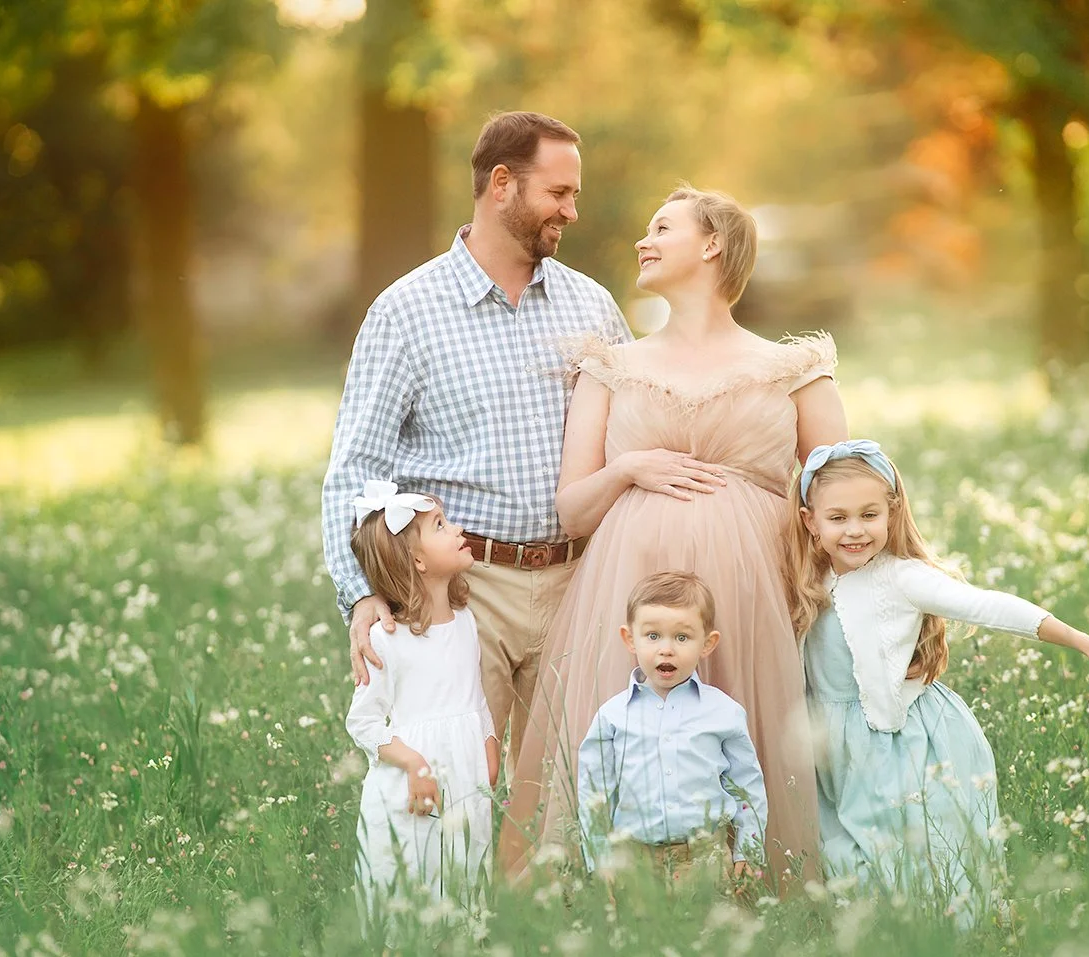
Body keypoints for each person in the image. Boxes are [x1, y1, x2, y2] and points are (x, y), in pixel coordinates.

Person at [500, 185, 849, 882]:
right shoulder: (612, 366)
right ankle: (613, 886)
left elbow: (842, 495)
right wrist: (629, 466)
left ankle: (751, 880)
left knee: (738, 737)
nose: (642, 240)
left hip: (749, 589)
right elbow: (573, 509)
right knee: (628, 738)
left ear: (713, 243)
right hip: (631, 583)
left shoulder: (795, 369)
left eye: (662, 227)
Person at [322, 112, 631, 766]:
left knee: (567, 795)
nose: (573, 210)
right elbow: (357, 467)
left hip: (579, 582)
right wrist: (361, 593)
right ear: (501, 184)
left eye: (574, 194)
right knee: (455, 788)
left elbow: (634, 431)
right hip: (462, 590)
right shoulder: (407, 311)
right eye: (559, 192)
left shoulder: (593, 307)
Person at [787, 440, 1089, 920]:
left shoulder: (903, 578)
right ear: (809, 522)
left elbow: (987, 605)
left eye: (869, 514)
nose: (855, 530)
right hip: (832, 742)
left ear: (892, 513)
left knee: (909, 844)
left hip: (901, 739)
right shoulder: (806, 582)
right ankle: (873, 928)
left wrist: (1084, 640)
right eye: (838, 518)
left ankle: (944, 927)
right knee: (840, 843)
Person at [344, 481, 498, 939]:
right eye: (441, 525)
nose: (458, 529)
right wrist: (414, 762)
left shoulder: (466, 621)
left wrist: (489, 744)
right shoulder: (385, 638)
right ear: (417, 561)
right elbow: (364, 721)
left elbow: (475, 696)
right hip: (414, 782)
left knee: (466, 874)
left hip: (467, 773)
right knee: (414, 877)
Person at [577, 572, 769, 884]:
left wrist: (748, 850)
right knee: (639, 933)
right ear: (629, 639)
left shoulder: (724, 713)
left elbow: (747, 787)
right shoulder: (612, 717)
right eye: (653, 636)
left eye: (682, 637)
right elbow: (594, 793)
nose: (666, 649)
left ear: (707, 644)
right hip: (634, 861)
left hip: (704, 859)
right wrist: (599, 861)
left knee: (706, 933)